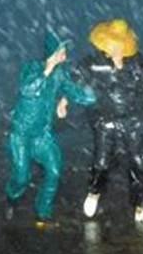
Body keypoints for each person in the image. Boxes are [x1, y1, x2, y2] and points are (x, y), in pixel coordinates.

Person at [5, 30, 96, 229]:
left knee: (54, 171)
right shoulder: (32, 68)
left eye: (64, 51)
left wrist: (94, 94)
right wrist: (48, 67)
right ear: (52, 52)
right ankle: (12, 198)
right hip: (21, 134)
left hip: (42, 135)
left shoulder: (60, 74)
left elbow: (76, 93)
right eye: (61, 50)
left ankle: (42, 213)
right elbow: (29, 90)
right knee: (21, 176)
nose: (65, 55)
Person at [74, 19, 143, 224]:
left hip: (132, 121)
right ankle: (94, 192)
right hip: (104, 120)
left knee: (140, 163)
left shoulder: (139, 64)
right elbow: (75, 81)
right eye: (112, 43)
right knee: (102, 162)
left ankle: (141, 208)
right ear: (105, 43)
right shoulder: (92, 63)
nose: (116, 48)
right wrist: (66, 100)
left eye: (120, 44)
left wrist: (141, 112)